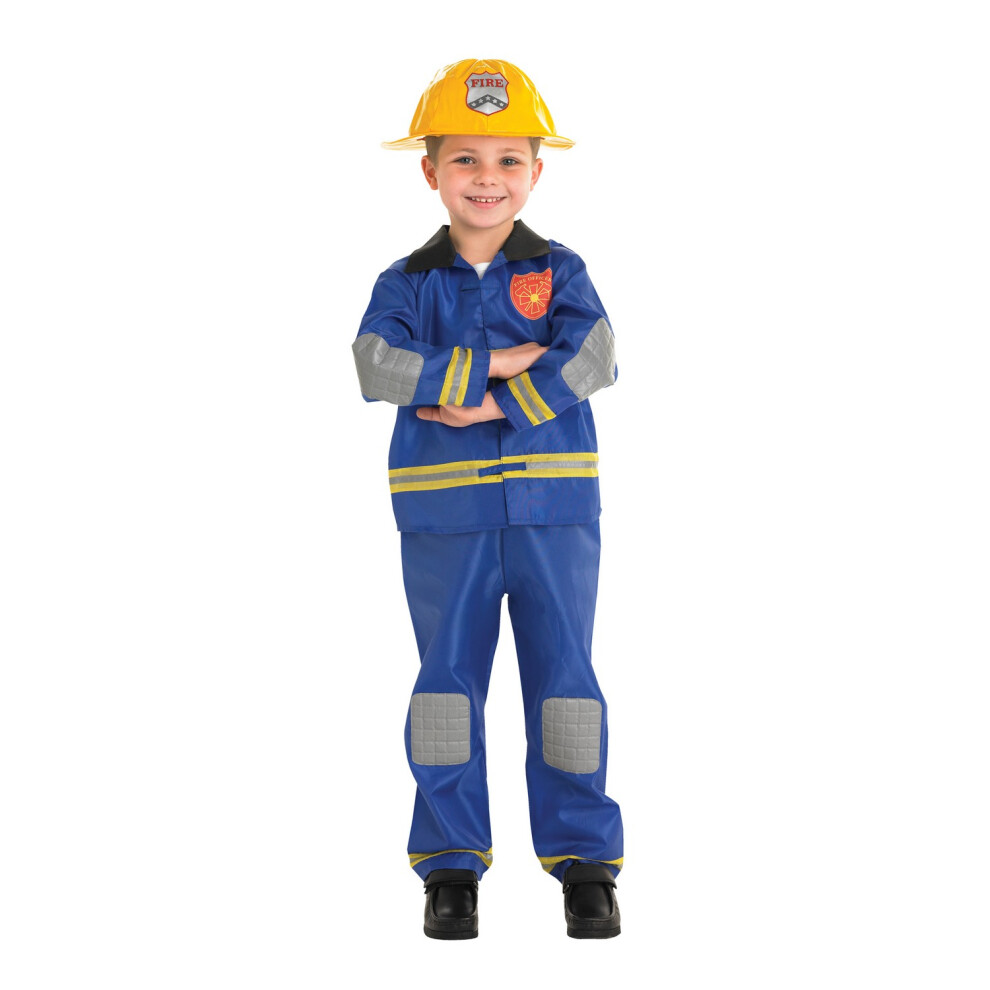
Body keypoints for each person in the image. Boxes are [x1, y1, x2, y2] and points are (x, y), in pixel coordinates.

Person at [352, 58, 623, 940]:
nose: (487, 178)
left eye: (509, 160)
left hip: (554, 514)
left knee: (566, 685)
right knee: (445, 690)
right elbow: (377, 366)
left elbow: (595, 356)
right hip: (446, 521)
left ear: (536, 172)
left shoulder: (561, 269)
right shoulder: (405, 283)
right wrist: (504, 359)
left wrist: (491, 401)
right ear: (430, 171)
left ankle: (585, 861)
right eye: (464, 158)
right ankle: (450, 862)